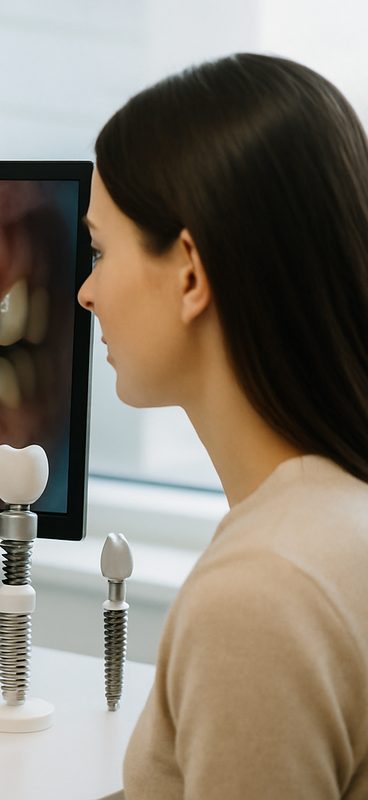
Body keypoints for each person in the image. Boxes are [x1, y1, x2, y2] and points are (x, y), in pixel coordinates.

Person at [80, 53, 368, 798]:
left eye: (100, 250)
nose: (85, 293)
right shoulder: (331, 516)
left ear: (189, 273)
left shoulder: (260, 598)